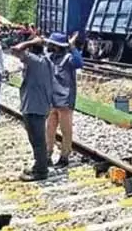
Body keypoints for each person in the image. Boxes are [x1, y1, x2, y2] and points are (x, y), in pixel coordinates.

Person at [11, 36, 53, 181]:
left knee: (37, 140)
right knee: (38, 140)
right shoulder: (47, 60)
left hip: (33, 106)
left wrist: (30, 41)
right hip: (40, 105)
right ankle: (39, 165)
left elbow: (15, 49)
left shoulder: (36, 61)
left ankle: (41, 171)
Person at [45, 32, 82, 168]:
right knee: (49, 129)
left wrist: (72, 47)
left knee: (66, 131)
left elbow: (79, 63)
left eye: (51, 44)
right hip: (52, 100)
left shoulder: (68, 59)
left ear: (57, 46)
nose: (49, 45)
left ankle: (64, 157)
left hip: (65, 101)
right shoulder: (50, 58)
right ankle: (47, 154)